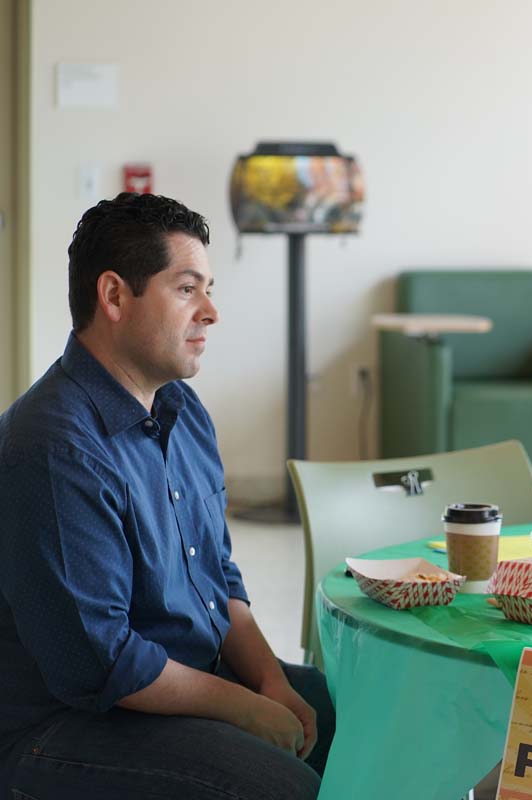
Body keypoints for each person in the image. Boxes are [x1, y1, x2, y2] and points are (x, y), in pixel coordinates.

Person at [0, 193, 334, 798]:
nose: (211, 312)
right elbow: (102, 662)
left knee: (363, 714)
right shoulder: (53, 446)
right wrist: (243, 706)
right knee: (283, 787)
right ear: (114, 296)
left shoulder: (181, 409)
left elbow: (217, 578)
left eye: (208, 290)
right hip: (68, 721)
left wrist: (268, 681)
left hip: (183, 676)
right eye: (186, 289)